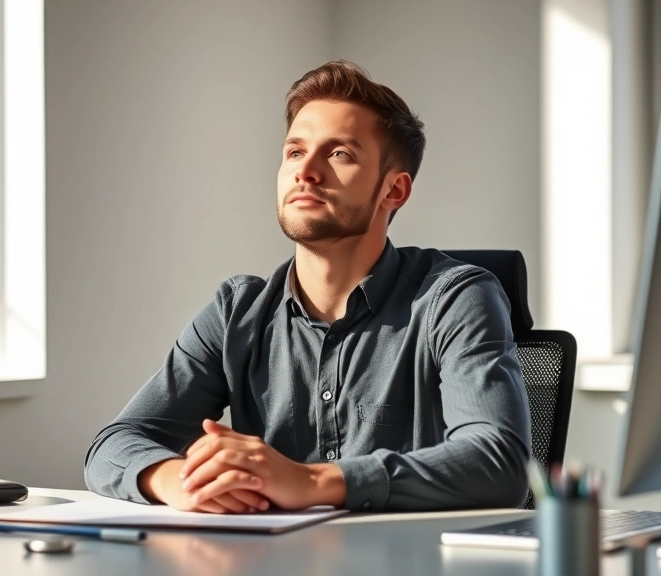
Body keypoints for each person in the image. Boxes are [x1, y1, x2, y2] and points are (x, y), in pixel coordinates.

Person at [84, 60, 530, 513]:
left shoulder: (456, 298)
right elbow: (113, 445)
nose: (307, 171)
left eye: (340, 154)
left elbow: (500, 464)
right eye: (295, 152)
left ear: (393, 191)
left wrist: (313, 481)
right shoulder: (236, 311)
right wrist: (182, 482)